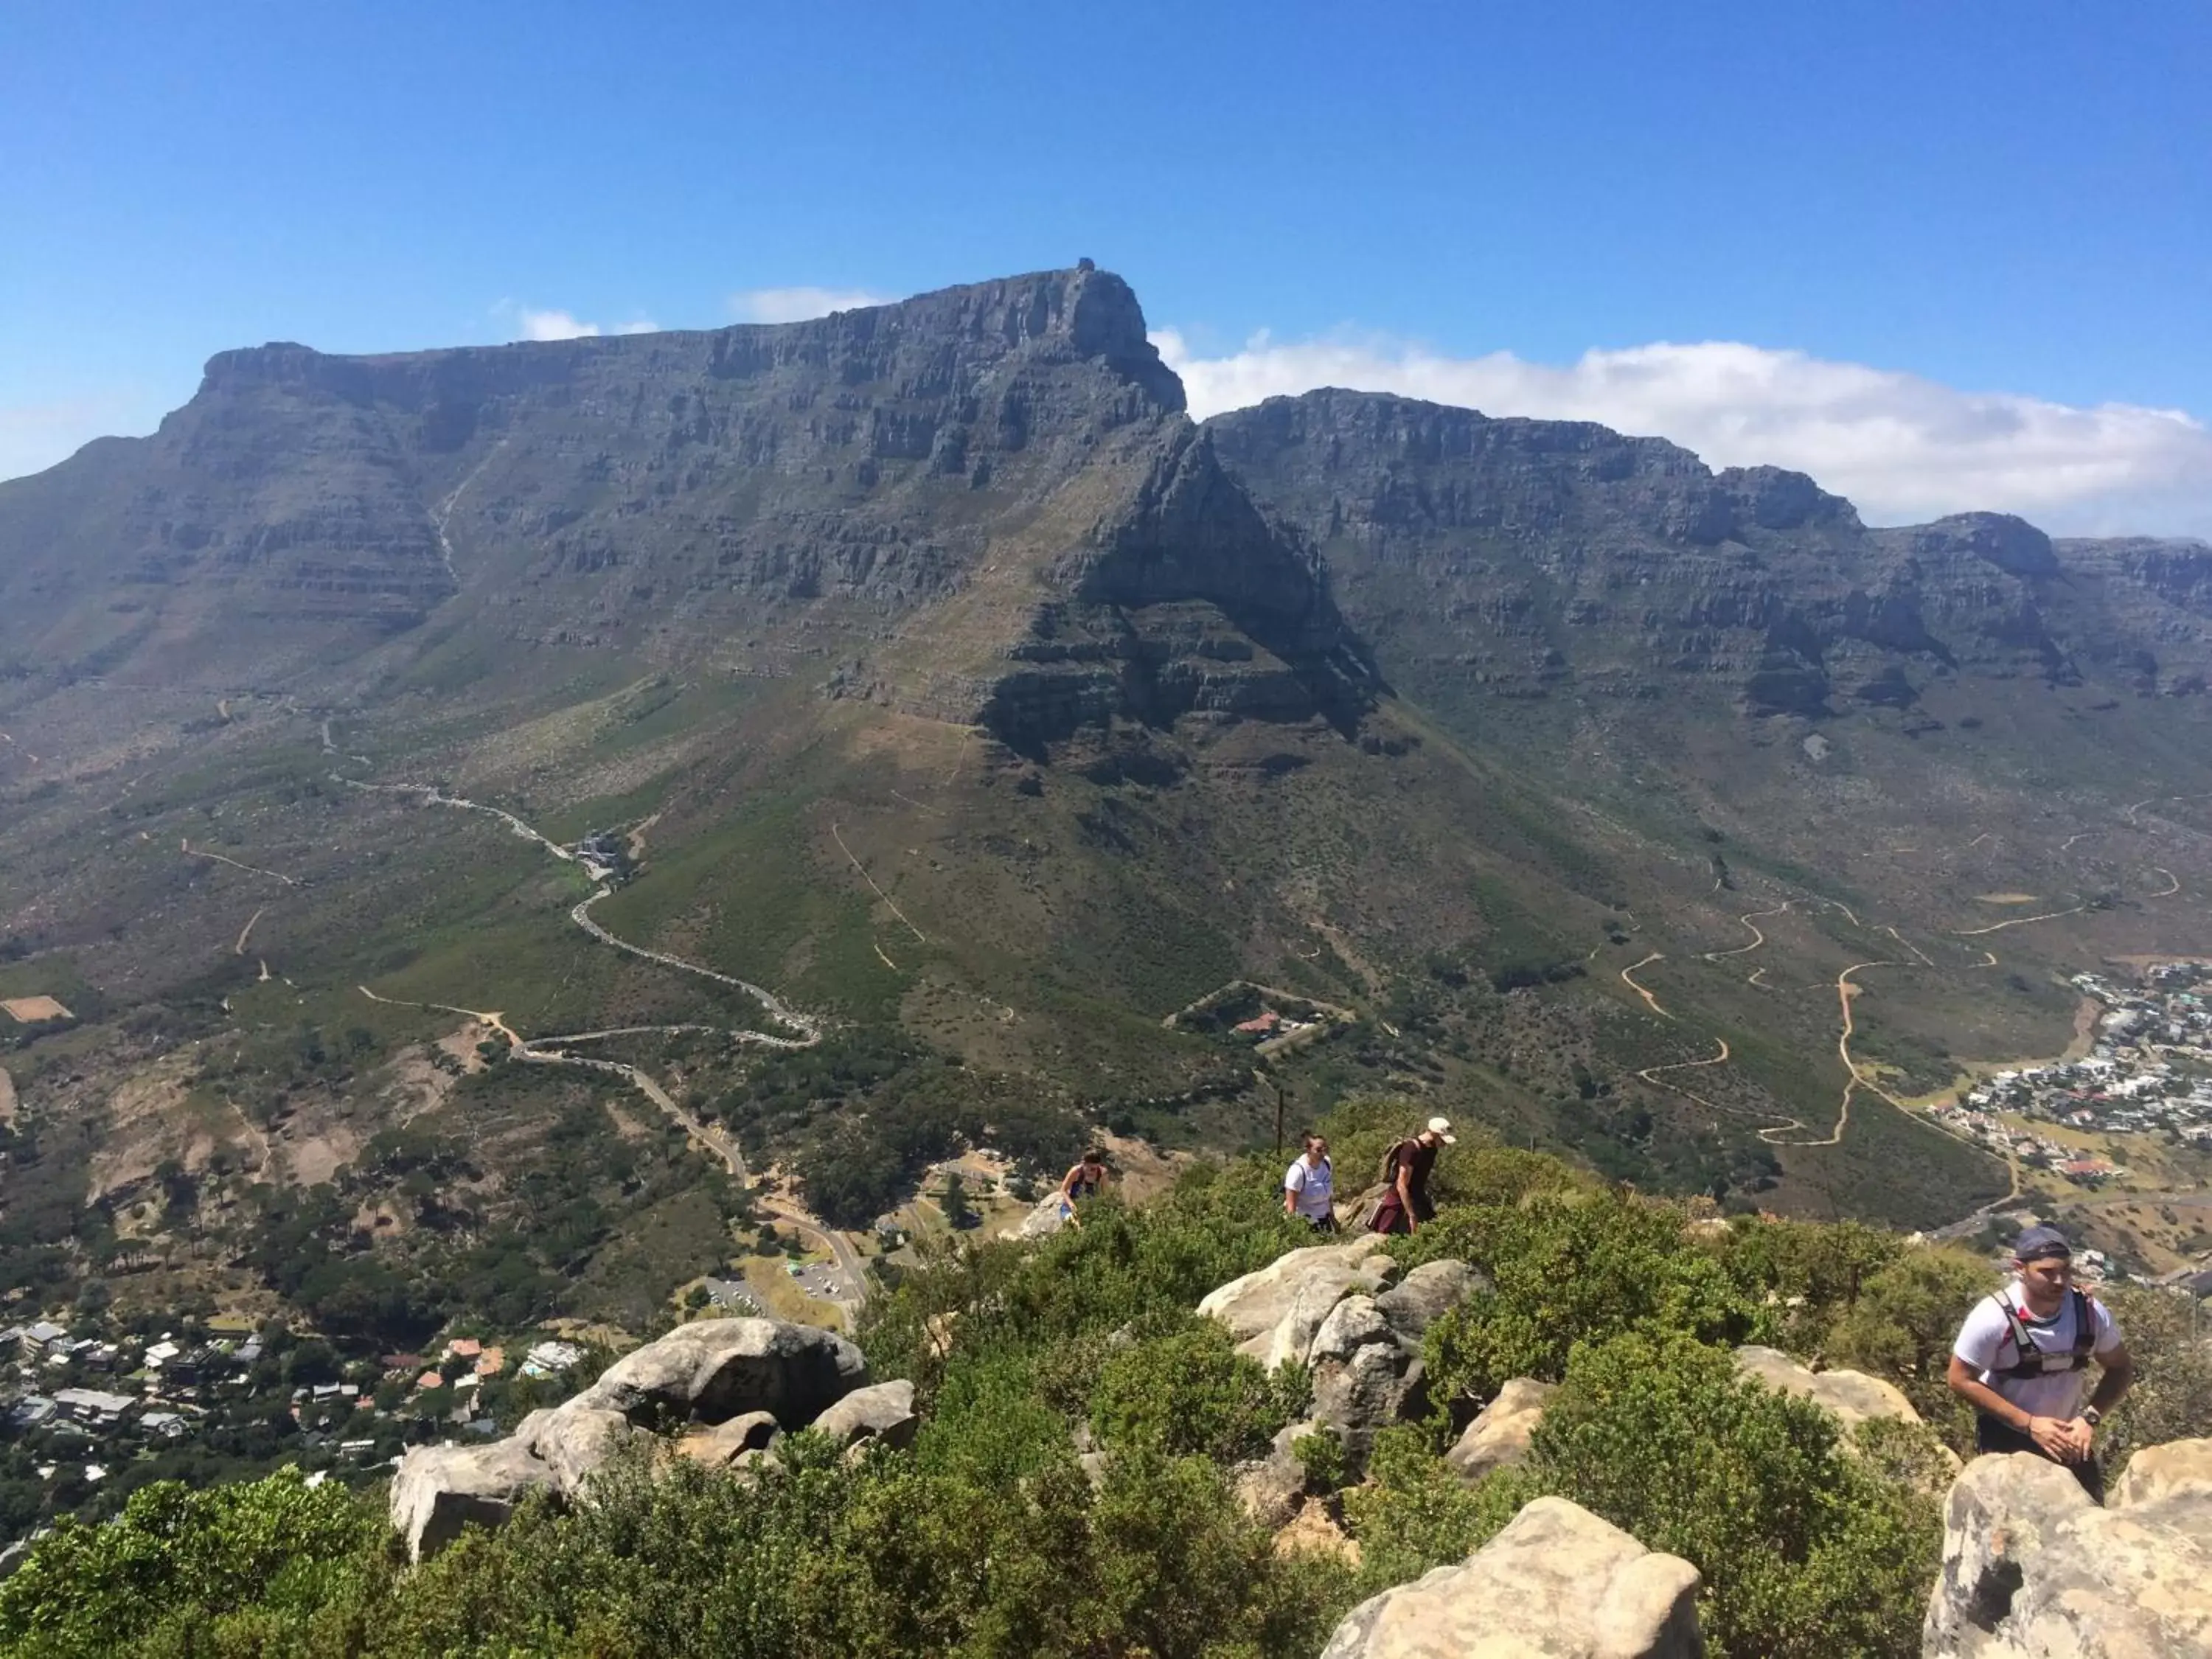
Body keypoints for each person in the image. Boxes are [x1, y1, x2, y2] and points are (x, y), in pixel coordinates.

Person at [1946, 1225, 2132, 1502]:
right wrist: (2029, 1424)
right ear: (2020, 1268)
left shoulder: (2088, 1313)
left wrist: (2089, 1418)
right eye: (2047, 1272)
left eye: (2066, 1271)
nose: (2059, 1281)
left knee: (2086, 1518)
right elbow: (1959, 1378)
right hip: (2007, 1437)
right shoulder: (1993, 1317)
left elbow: (2120, 1368)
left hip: (2069, 1435)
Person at [1369, 1116, 1455, 1235]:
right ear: (1435, 1135)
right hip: (1400, 1200)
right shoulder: (1411, 1149)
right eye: (1443, 1140)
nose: (1445, 1145)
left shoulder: (1432, 1150)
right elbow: (1402, 1184)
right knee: (1386, 1237)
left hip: (1418, 1198)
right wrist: (1411, 1215)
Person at [1284, 1133, 1336, 1231]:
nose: (1323, 1153)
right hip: (1307, 1223)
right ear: (1308, 1150)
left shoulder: (1326, 1164)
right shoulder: (1298, 1172)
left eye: (1325, 1149)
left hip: (1325, 1219)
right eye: (1319, 1150)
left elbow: (1328, 1197)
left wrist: (1333, 1219)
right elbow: (1291, 1208)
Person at [1057, 1147, 1110, 1228]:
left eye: (1094, 1169)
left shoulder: (1102, 1173)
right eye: (1089, 1168)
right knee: (1075, 1225)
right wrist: (1071, 1204)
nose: (1091, 1171)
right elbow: (1063, 1190)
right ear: (1084, 1163)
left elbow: (1106, 1194)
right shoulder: (1076, 1172)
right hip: (1073, 1207)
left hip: (1091, 1208)